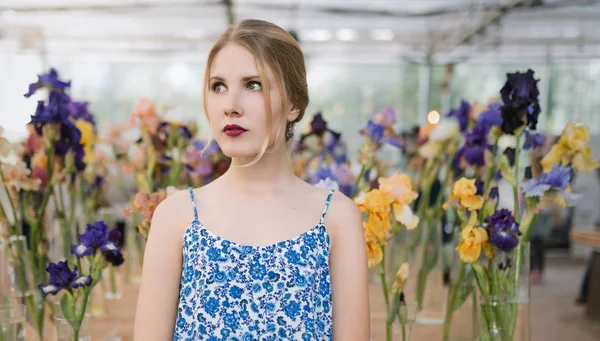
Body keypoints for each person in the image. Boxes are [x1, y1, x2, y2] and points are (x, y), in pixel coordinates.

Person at [133, 19, 370, 340]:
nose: (230, 106)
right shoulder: (177, 216)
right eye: (218, 86)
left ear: (294, 104)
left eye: (253, 84)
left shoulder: (336, 217)